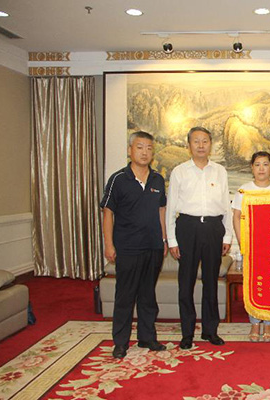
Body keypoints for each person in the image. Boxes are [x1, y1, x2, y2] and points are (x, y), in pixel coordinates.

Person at [100, 131, 168, 359]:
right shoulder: (118, 179)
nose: (145, 152)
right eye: (140, 147)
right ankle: (120, 342)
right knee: (125, 296)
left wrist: (164, 239)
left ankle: (147, 337)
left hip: (153, 246)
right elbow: (108, 213)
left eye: (149, 148)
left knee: (148, 295)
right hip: (127, 247)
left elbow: (161, 210)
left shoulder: (157, 179)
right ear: (130, 150)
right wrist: (109, 245)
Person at [166, 127, 232, 348]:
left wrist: (227, 236)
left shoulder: (220, 171)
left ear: (210, 144)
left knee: (211, 282)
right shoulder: (179, 171)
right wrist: (172, 240)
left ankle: (210, 331)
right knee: (186, 283)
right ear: (189, 145)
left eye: (205, 141)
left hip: (213, 228)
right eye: (196, 141)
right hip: (187, 227)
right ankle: (187, 333)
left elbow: (226, 206)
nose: (201, 145)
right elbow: (170, 208)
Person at [232, 151, 270, 342]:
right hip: (251, 245)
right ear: (252, 168)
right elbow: (236, 217)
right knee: (253, 286)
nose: (261, 168)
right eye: (257, 164)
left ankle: (269, 324)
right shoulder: (244, 190)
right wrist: (242, 241)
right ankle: (255, 323)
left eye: (265, 164)